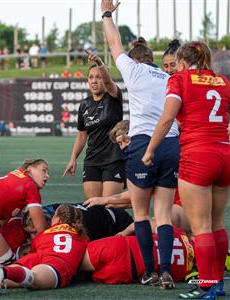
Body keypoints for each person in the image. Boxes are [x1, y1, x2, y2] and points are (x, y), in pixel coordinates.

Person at [101, 0, 180, 289]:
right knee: (164, 215)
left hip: (144, 142)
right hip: (171, 144)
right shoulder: (170, 77)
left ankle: (150, 271)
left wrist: (107, 13)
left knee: (141, 214)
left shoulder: (133, 71)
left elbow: (113, 41)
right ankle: (167, 271)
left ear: (134, 60)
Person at [142, 41, 229, 298]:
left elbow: (168, 117)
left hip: (198, 155)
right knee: (216, 224)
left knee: (200, 226)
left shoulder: (180, 79)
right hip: (224, 153)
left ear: (181, 62)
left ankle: (207, 286)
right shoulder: (222, 81)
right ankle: (218, 284)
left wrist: (150, 150)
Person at [64, 49, 125, 199]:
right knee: (93, 208)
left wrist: (99, 63)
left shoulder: (113, 97)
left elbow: (109, 82)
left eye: (98, 77)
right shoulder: (85, 104)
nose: (94, 81)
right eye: (91, 77)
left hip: (113, 159)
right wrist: (73, 159)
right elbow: (82, 134)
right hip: (92, 160)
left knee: (109, 206)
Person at [80, 227, 195, 285]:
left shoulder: (180, 234)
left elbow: (144, 225)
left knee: (75, 259)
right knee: (82, 276)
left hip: (123, 246)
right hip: (127, 272)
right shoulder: (188, 273)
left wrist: (123, 232)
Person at [23, 202, 133, 241]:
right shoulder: (55, 211)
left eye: (34, 232)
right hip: (104, 212)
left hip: (118, 223)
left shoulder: (74, 227)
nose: (33, 237)